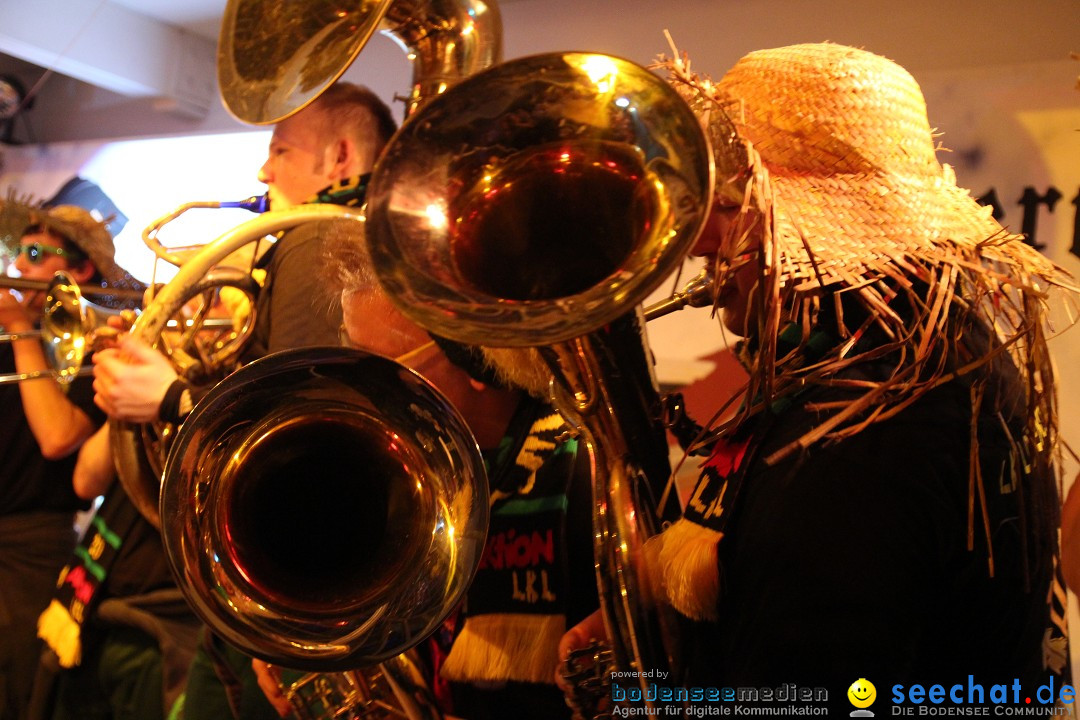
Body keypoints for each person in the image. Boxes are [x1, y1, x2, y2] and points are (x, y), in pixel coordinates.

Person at [561, 42, 1074, 707]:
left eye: (729, 204)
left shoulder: (875, 423)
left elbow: (814, 693)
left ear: (805, 226)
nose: (699, 244)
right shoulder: (913, 360)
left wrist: (652, 695)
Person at [90, 82, 399, 720]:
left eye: (281, 149)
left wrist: (174, 396)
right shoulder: (354, 243)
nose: (263, 168)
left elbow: (297, 420)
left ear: (340, 157)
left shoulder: (317, 238)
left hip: (287, 564)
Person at [243, 221, 597, 720]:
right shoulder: (397, 470)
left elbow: (661, 692)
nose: (362, 393)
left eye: (382, 367)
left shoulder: (587, 477)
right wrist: (308, 642)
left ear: (474, 354)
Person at [0, 200, 143, 720]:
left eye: (36, 254)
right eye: (20, 253)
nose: (19, 267)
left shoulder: (90, 345)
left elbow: (58, 439)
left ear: (79, 269)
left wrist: (20, 330)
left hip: (30, 550)